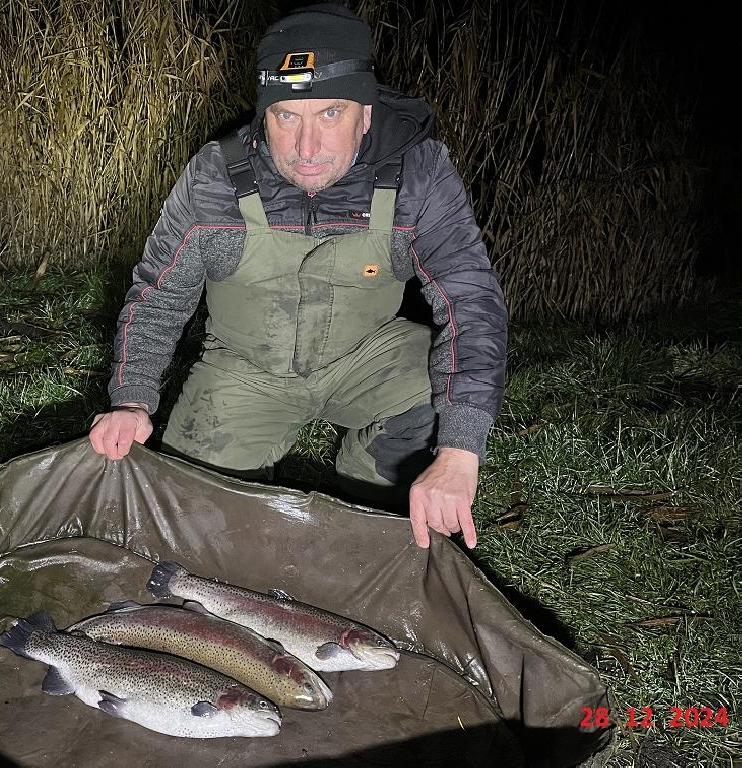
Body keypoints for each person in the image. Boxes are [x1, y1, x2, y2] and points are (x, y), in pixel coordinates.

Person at [89, 3, 507, 550]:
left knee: (437, 407)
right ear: (265, 115)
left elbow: (471, 301)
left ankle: (367, 487)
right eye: (287, 116)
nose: (306, 149)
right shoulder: (216, 178)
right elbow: (159, 296)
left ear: (366, 114)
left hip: (369, 355)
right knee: (195, 524)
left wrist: (460, 451)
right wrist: (132, 400)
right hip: (244, 367)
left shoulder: (417, 173)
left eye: (330, 113)